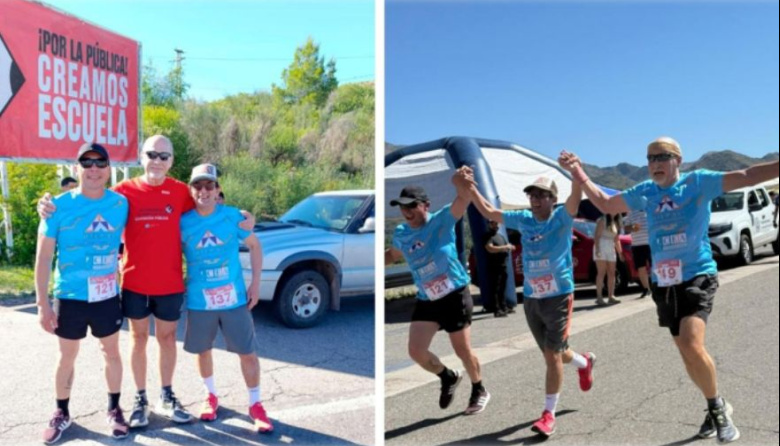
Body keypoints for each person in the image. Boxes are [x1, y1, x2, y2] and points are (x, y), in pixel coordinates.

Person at [560, 137, 780, 444]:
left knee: (691, 343)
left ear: (678, 159)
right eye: (650, 158)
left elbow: (747, 176)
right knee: (687, 354)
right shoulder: (646, 191)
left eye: (662, 157)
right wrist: (579, 173)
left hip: (696, 274)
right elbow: (607, 204)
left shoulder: (698, 182)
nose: (654, 164)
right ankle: (713, 402)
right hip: (664, 282)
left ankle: (718, 408)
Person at [38, 135, 256, 429]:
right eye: (151, 154)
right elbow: (92, 198)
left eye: (164, 156)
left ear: (171, 161)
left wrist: (244, 217)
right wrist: (47, 204)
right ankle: (140, 399)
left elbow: (212, 206)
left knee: (167, 340)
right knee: (138, 340)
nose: (157, 161)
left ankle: (166, 395)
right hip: (134, 282)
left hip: (169, 284)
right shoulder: (123, 193)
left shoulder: (181, 192)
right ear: (141, 157)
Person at [464, 171, 596, 439]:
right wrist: (470, 188)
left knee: (552, 355)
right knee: (557, 352)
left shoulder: (561, 217)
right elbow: (489, 210)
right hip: (533, 298)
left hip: (559, 295)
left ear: (552, 199)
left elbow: (575, 197)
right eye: (531, 194)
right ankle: (584, 364)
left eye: (541, 195)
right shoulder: (522, 218)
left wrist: (574, 173)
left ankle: (549, 415)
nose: (535, 199)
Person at [35, 143, 130, 444]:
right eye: (86, 163)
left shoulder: (121, 204)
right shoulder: (57, 207)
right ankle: (61, 412)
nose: (93, 169)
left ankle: (114, 409)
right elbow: (43, 257)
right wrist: (42, 304)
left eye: (100, 163)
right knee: (66, 357)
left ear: (108, 169)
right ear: (76, 168)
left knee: (111, 352)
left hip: (105, 296)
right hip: (70, 296)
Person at [180, 164, 273, 433]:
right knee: (203, 350)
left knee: (247, 352)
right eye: (198, 185)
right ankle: (211, 397)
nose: (204, 191)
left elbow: (255, 246)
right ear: (191, 190)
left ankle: (256, 404)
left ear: (218, 189)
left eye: (210, 185)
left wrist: (255, 284)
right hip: (200, 301)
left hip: (233, 300)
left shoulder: (233, 217)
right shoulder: (184, 222)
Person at [384, 180, 490, 416]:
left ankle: (479, 389)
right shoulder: (402, 233)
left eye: (412, 206)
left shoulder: (441, 220)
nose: (406, 212)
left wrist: (462, 182)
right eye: (402, 207)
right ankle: (448, 376)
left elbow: (463, 199)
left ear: (426, 205)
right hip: (427, 299)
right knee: (416, 351)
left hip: (454, 294)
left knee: (462, 351)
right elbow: (392, 255)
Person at [483, 220, 515, 317]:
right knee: (496, 289)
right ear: (489, 224)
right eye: (493, 223)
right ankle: (497, 310)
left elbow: (507, 246)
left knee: (503, 288)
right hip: (494, 266)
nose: (495, 225)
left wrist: (510, 247)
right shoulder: (488, 236)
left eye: (496, 224)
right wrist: (505, 247)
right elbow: (490, 248)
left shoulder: (500, 236)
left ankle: (504, 307)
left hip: (503, 265)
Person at [593, 213, 623, 306]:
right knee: (602, 272)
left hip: (610, 246)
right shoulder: (603, 220)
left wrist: (620, 253)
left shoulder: (617, 222)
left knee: (612, 272)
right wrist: (597, 249)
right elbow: (597, 235)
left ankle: (611, 296)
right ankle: (599, 297)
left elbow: (617, 239)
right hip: (601, 245)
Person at [624, 210, 652, 298]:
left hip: (650, 243)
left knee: (654, 266)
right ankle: (646, 289)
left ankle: (656, 286)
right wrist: (632, 227)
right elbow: (626, 227)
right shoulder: (631, 213)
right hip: (637, 244)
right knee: (641, 268)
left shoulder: (649, 210)